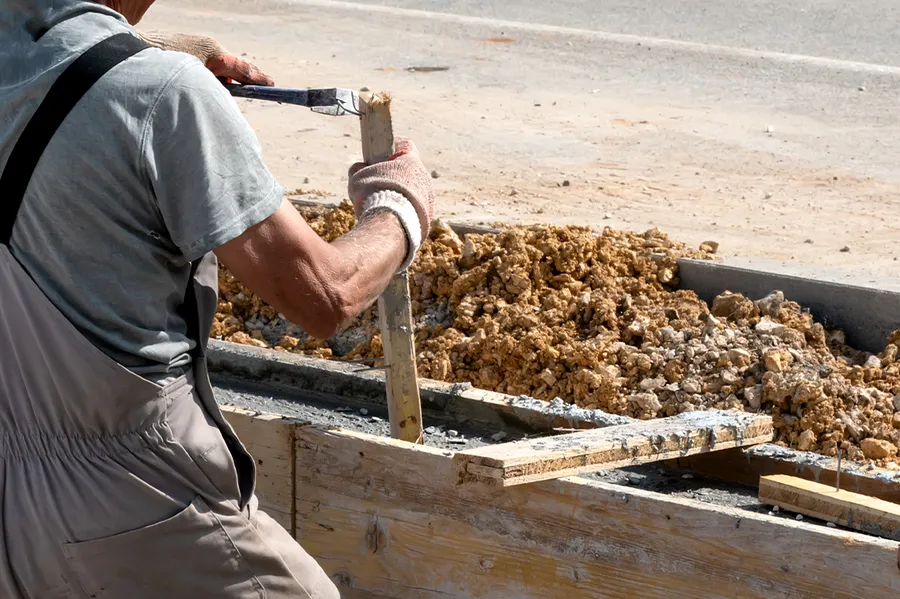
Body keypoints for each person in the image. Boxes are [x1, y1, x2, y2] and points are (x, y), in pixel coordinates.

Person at [0, 0, 435, 597]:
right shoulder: (162, 94)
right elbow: (324, 296)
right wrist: (398, 208)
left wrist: (126, 51)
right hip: (141, 491)